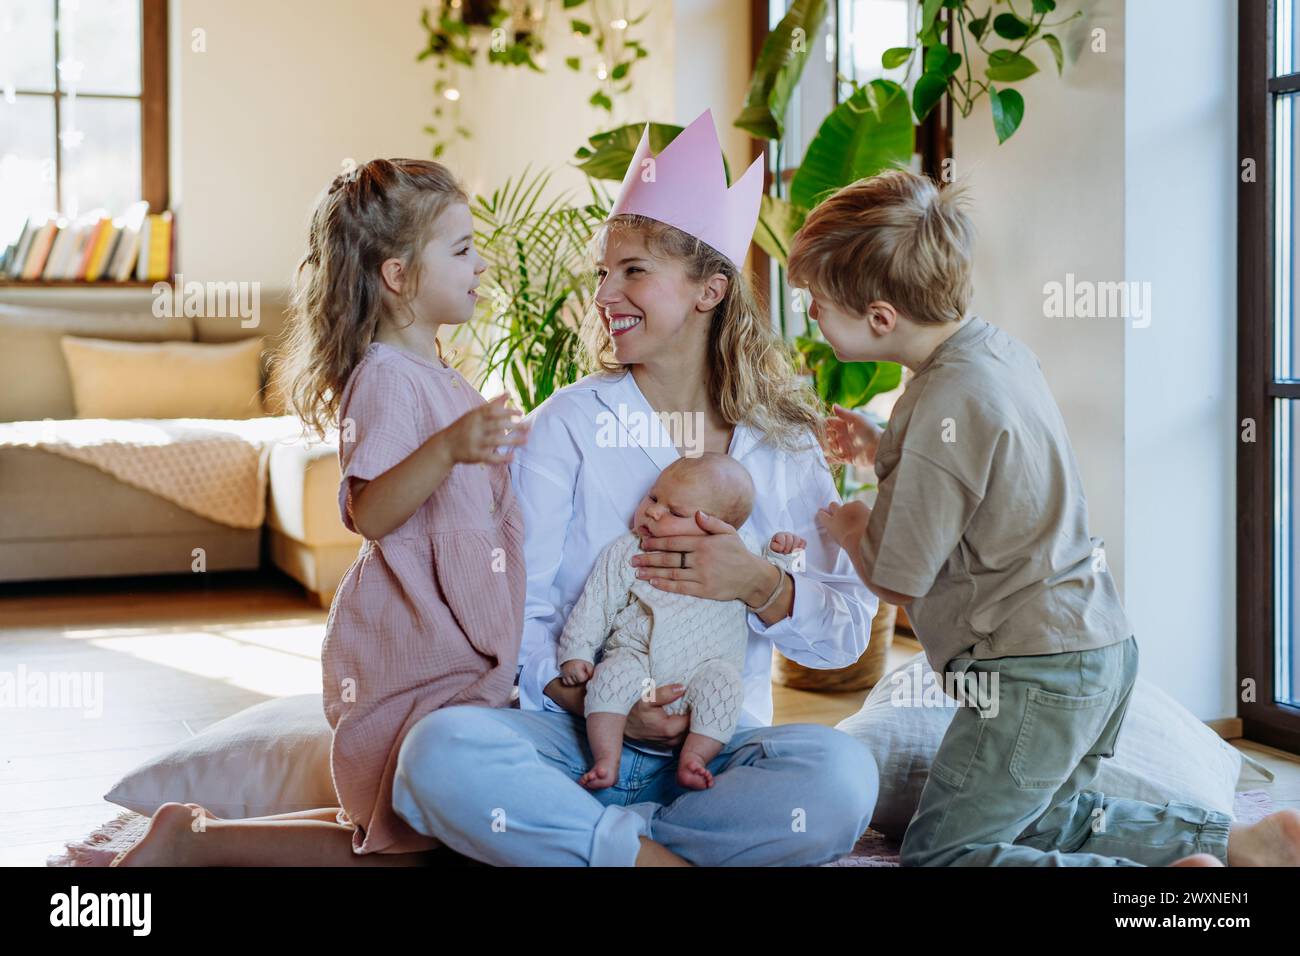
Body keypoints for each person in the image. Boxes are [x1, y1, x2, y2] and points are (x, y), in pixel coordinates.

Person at [391, 109, 880, 867]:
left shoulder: (783, 443)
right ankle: (659, 860)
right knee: (436, 751)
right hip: (575, 739)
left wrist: (762, 587)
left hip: (718, 750)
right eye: (602, 273)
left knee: (843, 779)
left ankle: (593, 848)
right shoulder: (569, 425)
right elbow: (524, 612)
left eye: (633, 271)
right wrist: (598, 706)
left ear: (710, 290)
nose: (604, 294)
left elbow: (844, 632)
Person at [801, 167, 1300, 867]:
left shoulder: (940, 401)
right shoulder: (994, 354)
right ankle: (1239, 843)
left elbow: (897, 577)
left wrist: (854, 525)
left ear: (881, 318)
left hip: (1030, 676)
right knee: (1038, 818)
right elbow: (986, 473)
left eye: (817, 304)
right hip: (1097, 650)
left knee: (944, 854)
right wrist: (882, 448)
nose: (811, 317)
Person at [114, 158, 530, 866]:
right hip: (412, 649)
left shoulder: (433, 373)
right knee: (407, 839)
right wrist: (451, 447)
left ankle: (197, 834)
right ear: (398, 276)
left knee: (405, 832)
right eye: (461, 250)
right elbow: (370, 510)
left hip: (451, 646)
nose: (481, 264)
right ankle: (191, 841)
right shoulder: (386, 380)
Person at [556, 453, 805, 792]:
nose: (653, 511)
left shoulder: (739, 551)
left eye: (674, 512)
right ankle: (605, 759)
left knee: (726, 687)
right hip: (637, 658)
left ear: (718, 527)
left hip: (707, 668)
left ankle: (694, 759)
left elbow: (775, 580)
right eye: (654, 497)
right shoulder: (628, 550)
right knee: (609, 677)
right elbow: (596, 603)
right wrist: (578, 652)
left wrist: (783, 556)